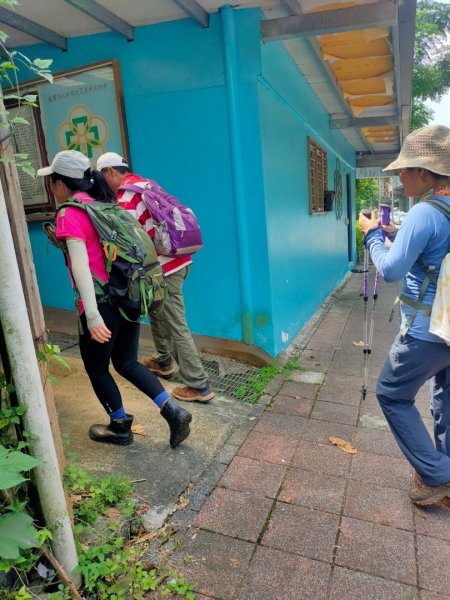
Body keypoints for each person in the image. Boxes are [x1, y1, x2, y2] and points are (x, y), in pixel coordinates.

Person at [38, 150, 192, 448]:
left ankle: (120, 427)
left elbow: (82, 266)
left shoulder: (70, 213)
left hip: (100, 306)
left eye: (52, 182)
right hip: (127, 298)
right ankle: (173, 411)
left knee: (97, 368)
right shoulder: (106, 205)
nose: (51, 188)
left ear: (60, 184)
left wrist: (92, 316)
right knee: (126, 362)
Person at [358, 124, 450, 506]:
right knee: (445, 397)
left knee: (392, 394)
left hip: (427, 330)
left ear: (425, 173)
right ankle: (443, 467)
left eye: (405, 169)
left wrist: (372, 236)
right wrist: (397, 230)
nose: (399, 175)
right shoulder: (442, 209)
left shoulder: (424, 213)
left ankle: (437, 476)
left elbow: (392, 270)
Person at [96, 152, 215, 403]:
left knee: (176, 323)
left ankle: (199, 385)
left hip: (165, 269)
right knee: (156, 309)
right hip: (180, 260)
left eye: (102, 176)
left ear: (111, 172)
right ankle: (163, 360)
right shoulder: (146, 184)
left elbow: (131, 242)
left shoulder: (126, 197)